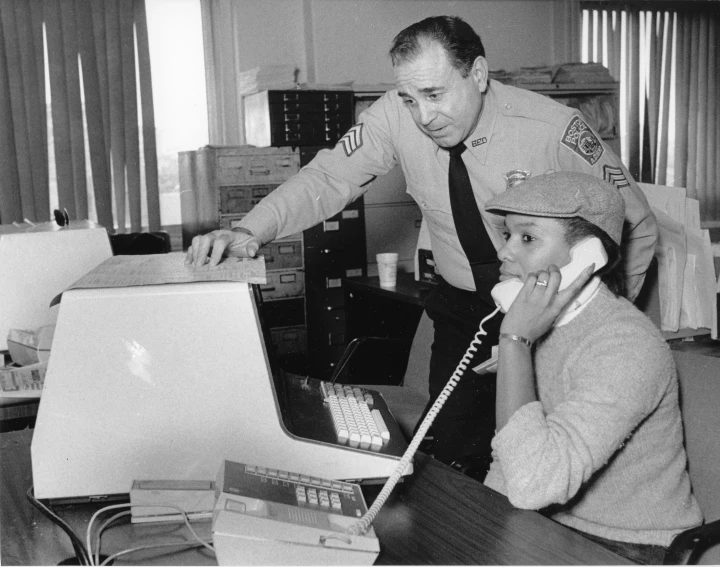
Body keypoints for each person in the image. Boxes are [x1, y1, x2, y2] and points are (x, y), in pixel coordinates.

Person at [186, 16, 657, 478]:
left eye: (434, 94)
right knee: (452, 457)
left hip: (548, 312)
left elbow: (636, 222)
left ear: (477, 73)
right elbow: (328, 177)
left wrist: (586, 322)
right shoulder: (394, 114)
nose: (423, 116)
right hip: (460, 310)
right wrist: (249, 231)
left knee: (543, 464)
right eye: (410, 98)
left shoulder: (552, 127)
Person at [481, 171, 702, 565]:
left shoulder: (625, 345)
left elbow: (534, 483)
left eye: (527, 238)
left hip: (630, 545)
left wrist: (513, 341)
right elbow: (514, 467)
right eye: (507, 235)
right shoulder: (543, 327)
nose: (505, 253)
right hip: (549, 524)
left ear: (587, 256)